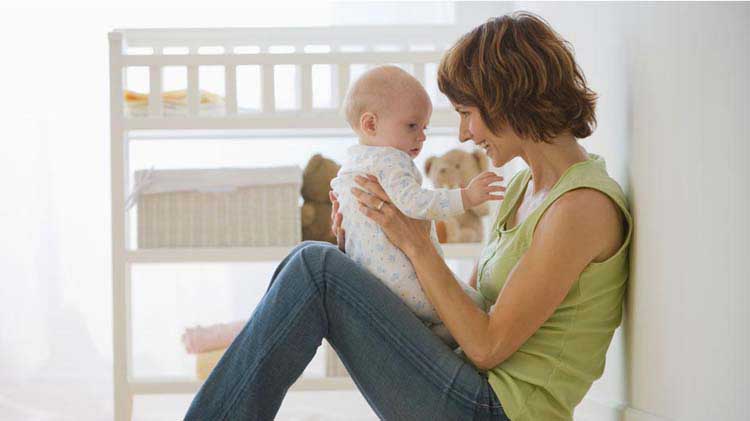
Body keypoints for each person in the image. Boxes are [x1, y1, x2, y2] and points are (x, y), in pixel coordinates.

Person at [184, 12, 632, 421]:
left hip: (495, 411)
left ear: (508, 98)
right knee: (318, 264)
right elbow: (459, 312)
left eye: (467, 113)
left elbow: (486, 346)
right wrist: (368, 248)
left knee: (313, 267)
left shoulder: (581, 207)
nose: (463, 133)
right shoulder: (521, 188)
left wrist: (415, 240)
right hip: (467, 387)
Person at [330, 64, 503, 347]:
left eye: (424, 128)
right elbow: (415, 204)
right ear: (370, 124)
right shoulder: (391, 160)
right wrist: (466, 197)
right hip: (404, 280)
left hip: (370, 278)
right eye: (412, 126)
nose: (422, 136)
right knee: (474, 305)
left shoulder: (350, 164)